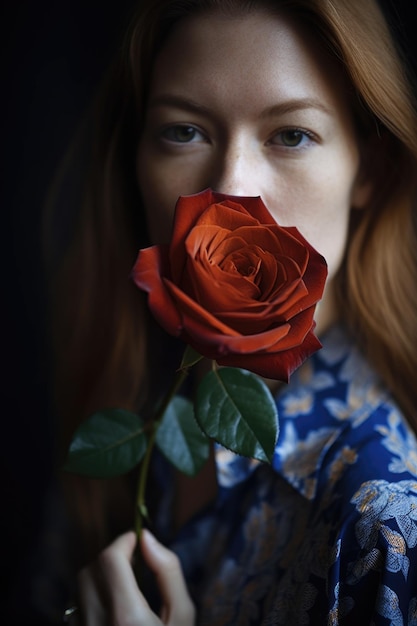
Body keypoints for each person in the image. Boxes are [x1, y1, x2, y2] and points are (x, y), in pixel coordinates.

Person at [43, 0, 417, 623]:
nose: (234, 187)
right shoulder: (121, 414)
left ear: (369, 169)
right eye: (184, 130)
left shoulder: (384, 522)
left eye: (291, 135)